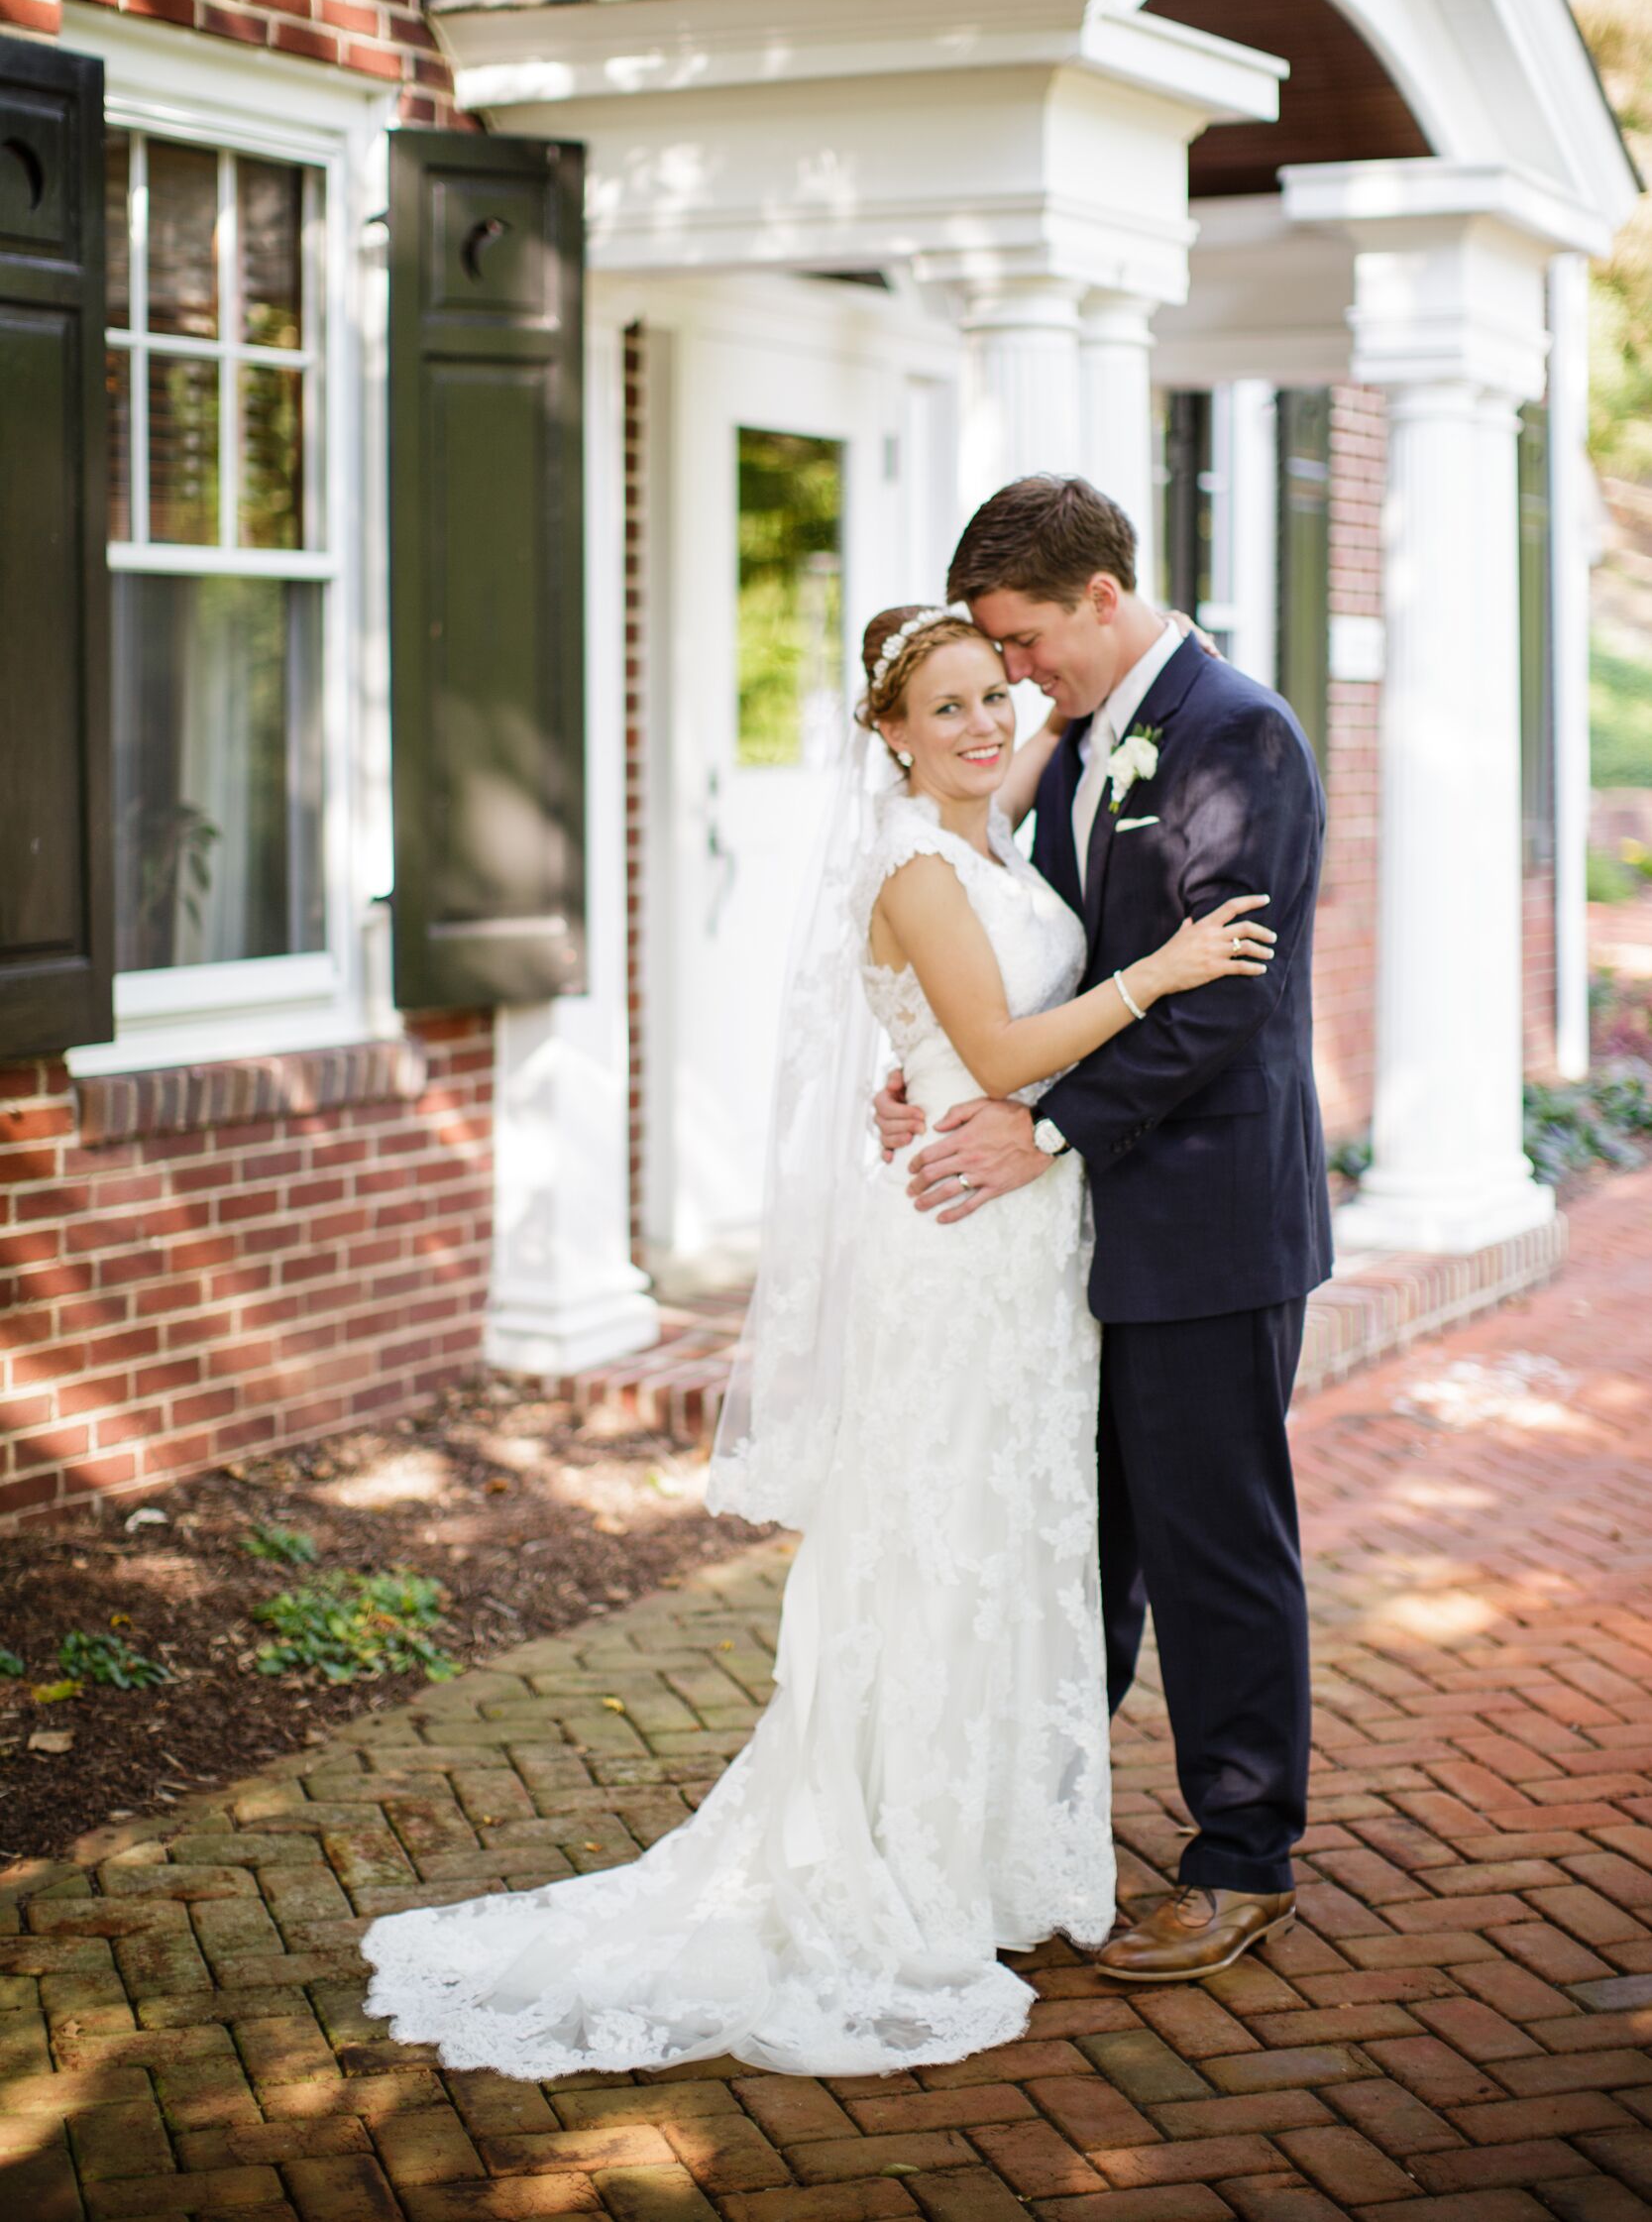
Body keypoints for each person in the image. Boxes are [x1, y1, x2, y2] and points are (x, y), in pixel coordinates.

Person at [358, 600, 1274, 2079]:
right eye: (950, 708)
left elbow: (957, 1042)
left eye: (997, 696)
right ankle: (887, 1863)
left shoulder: (998, 841)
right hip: (960, 1249)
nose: (985, 724)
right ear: (892, 735)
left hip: (1032, 1246)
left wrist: (928, 1078)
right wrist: (1161, 973)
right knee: (929, 1543)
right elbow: (997, 1054)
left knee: (1012, 1540)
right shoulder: (918, 865)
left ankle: (979, 1859)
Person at [876, 475, 1334, 1981]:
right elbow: (1030, 968)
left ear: (1097, 596)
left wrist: (1045, 1123)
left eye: (1021, 642)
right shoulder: (1080, 748)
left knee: (1216, 1547)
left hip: (1206, 1223)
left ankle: (1243, 1858)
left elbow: (1231, 992)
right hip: (1084, 1229)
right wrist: (933, 1079)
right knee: (1089, 1551)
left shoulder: (1234, 735)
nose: (1014, 676)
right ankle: (1041, 1827)